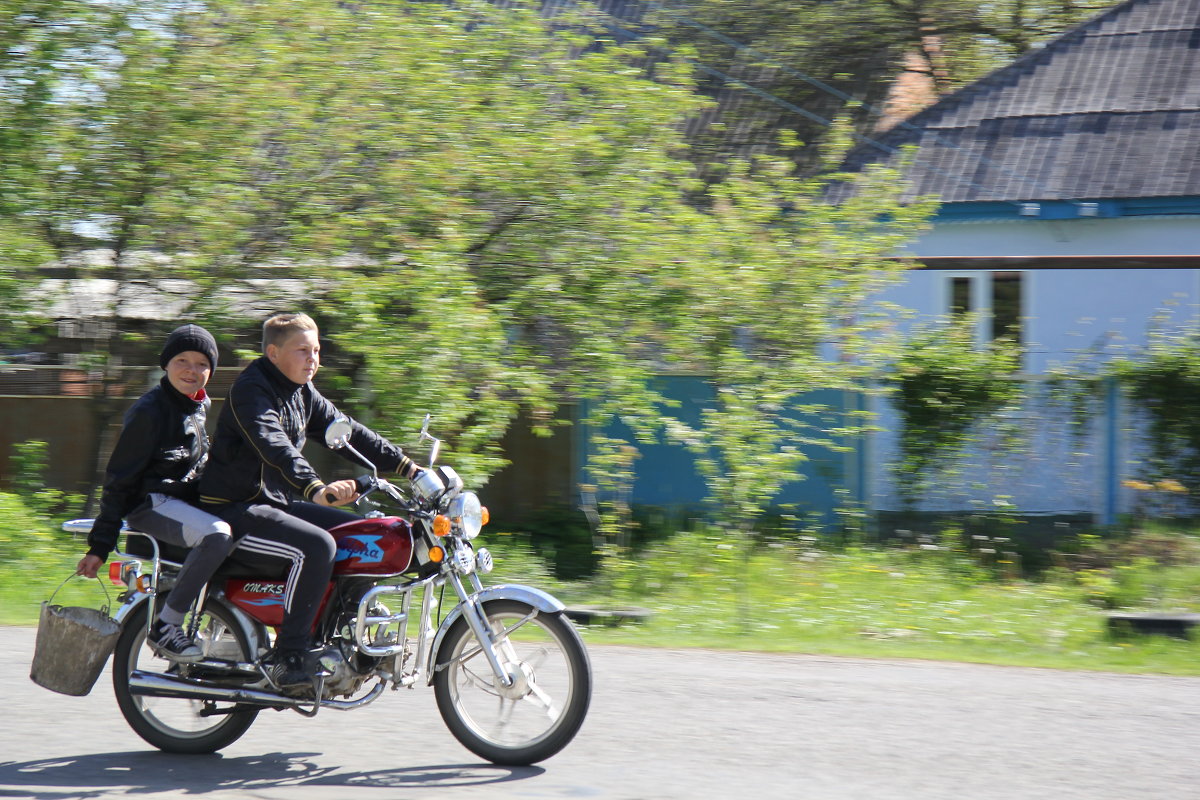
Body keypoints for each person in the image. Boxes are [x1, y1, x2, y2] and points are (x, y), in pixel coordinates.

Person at [198, 312, 421, 688]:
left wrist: (411, 469)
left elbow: (349, 433)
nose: (313, 359)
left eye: (316, 350)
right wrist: (316, 487)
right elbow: (275, 446)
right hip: (237, 508)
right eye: (303, 350)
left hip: (276, 503)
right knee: (317, 547)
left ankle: (344, 629)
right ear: (273, 353)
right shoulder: (251, 391)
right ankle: (289, 654)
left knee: (363, 533)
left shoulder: (301, 391)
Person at [77, 324, 232, 662]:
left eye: (202, 364)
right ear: (165, 364)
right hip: (152, 505)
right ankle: (167, 625)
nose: (192, 370)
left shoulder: (195, 406)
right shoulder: (150, 412)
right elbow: (119, 479)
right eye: (182, 361)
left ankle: (231, 627)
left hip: (179, 503)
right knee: (217, 536)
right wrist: (101, 545)